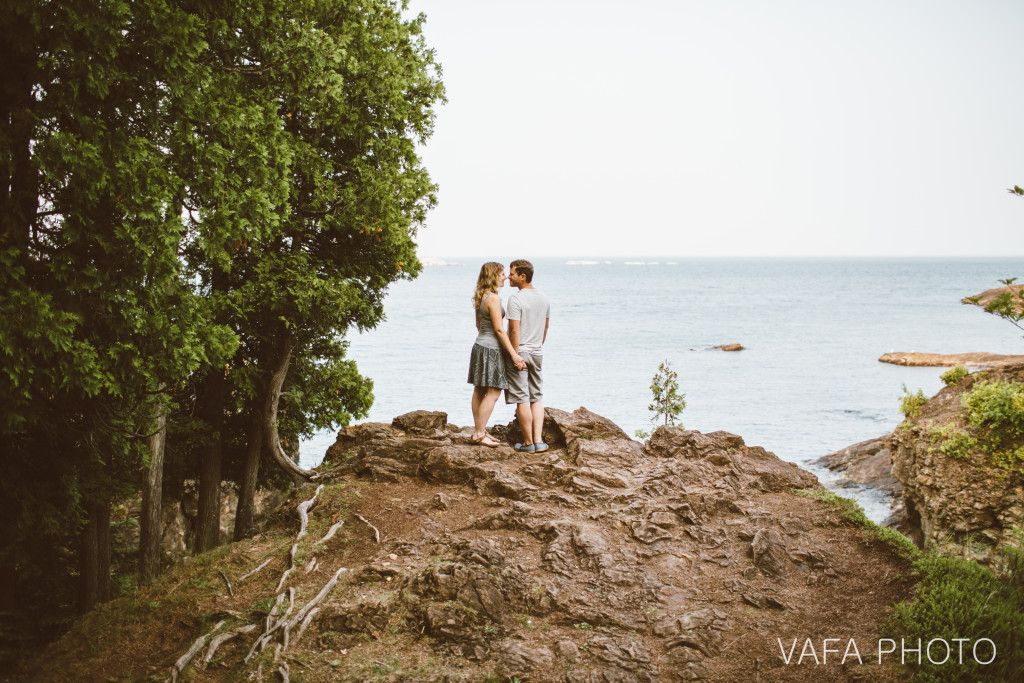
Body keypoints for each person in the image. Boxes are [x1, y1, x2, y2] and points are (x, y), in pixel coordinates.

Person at [467, 262, 526, 446]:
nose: (505, 277)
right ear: (493, 275)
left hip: (479, 345)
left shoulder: (480, 296)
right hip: (492, 349)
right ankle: (479, 433)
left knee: (479, 390)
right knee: (494, 391)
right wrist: (514, 355)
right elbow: (500, 331)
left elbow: (479, 325)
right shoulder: (493, 299)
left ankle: (480, 430)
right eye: (502, 273)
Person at [505, 259, 551, 452]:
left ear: (523, 276)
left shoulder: (516, 299)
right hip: (537, 352)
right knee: (536, 397)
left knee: (522, 398)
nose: (509, 276)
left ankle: (528, 442)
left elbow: (514, 330)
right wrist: (537, 346)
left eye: (513, 273)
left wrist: (515, 355)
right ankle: (539, 440)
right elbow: (546, 327)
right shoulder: (544, 298)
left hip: (520, 351)